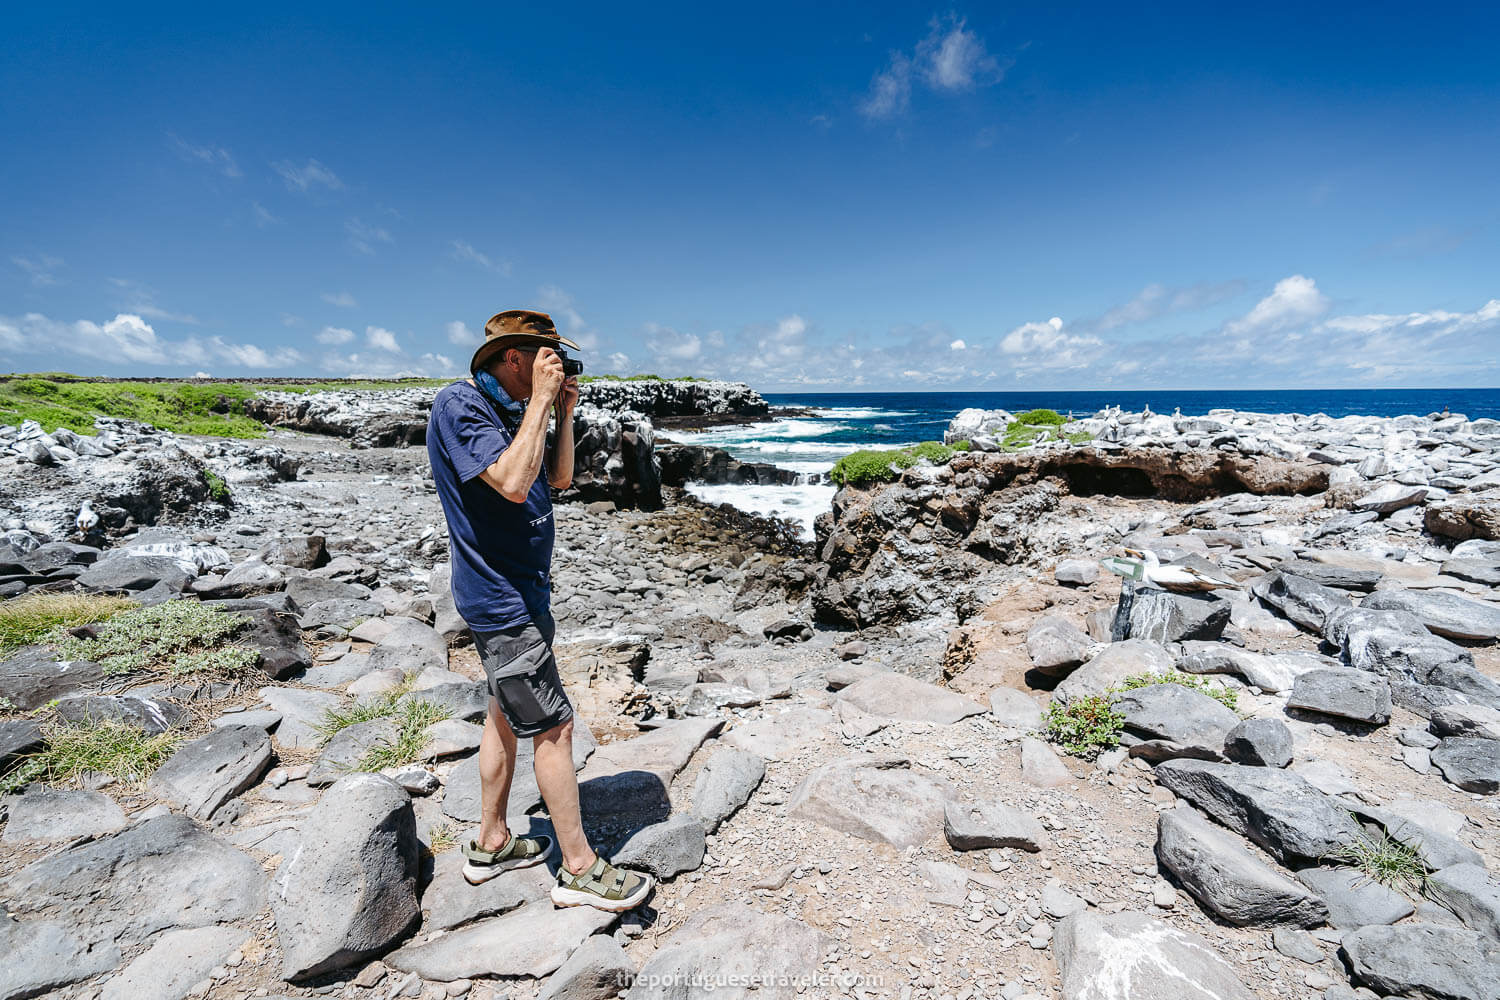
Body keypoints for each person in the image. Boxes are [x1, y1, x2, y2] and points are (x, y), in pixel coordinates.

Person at [426, 309, 653, 912]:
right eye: (547, 357)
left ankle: (492, 842)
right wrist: (540, 403)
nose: (557, 366)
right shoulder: (461, 406)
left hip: (525, 592)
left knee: (504, 716)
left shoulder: (510, 412)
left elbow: (558, 478)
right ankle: (579, 870)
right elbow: (510, 481)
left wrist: (563, 412)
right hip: (500, 602)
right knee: (554, 727)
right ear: (513, 358)